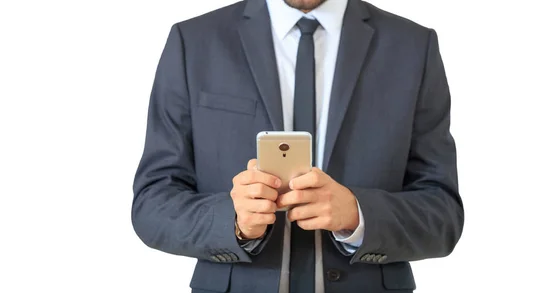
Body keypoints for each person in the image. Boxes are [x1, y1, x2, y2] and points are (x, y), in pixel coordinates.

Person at [132, 0, 464, 292]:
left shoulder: (412, 47)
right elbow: (152, 203)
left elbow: (443, 214)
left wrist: (359, 215)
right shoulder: (194, 42)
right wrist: (232, 221)